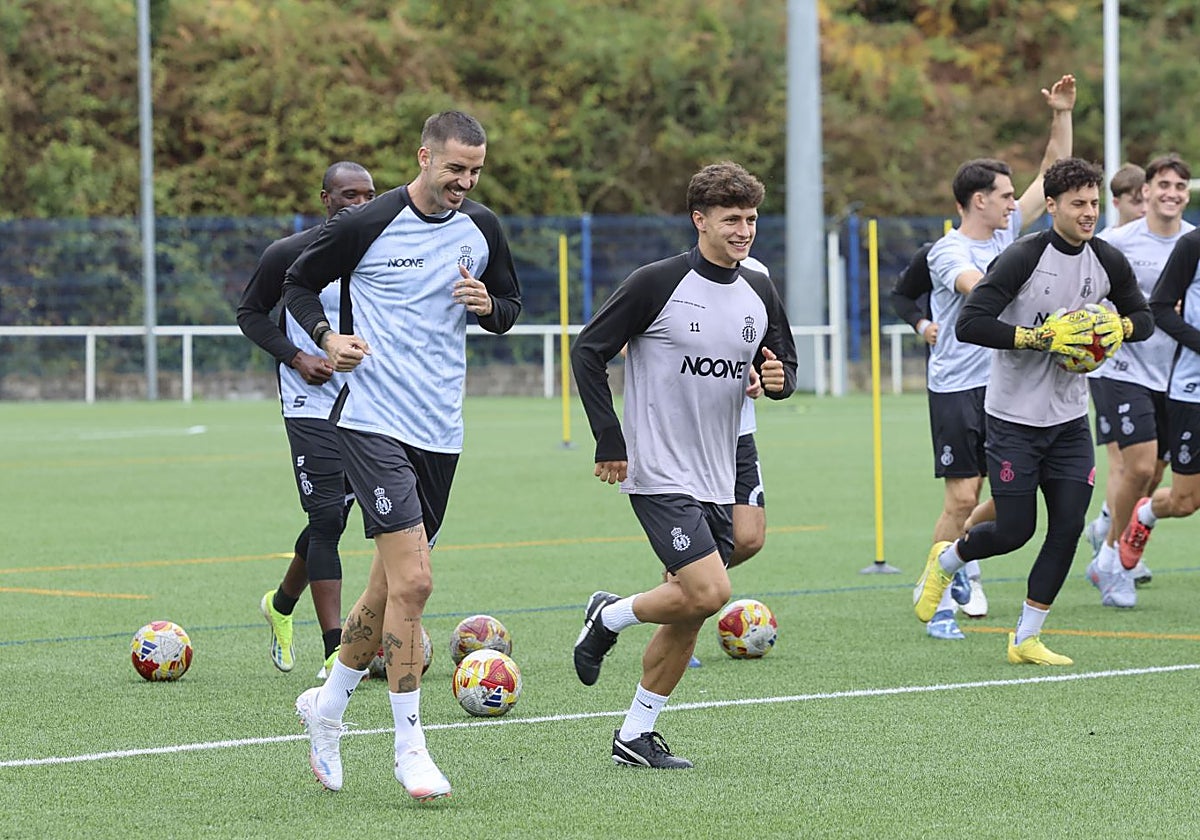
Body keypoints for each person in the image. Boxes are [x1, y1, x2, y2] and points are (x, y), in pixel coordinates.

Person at [282, 111, 522, 798]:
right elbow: (295, 284)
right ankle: (409, 747)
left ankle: (327, 708)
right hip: (371, 420)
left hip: (440, 430)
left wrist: (488, 306)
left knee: (388, 588)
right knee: (416, 583)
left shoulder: (483, 228)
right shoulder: (366, 223)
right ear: (424, 157)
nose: (465, 182)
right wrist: (327, 337)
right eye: (455, 169)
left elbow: (510, 308)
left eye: (475, 171)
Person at [570, 161, 796, 768]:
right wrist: (609, 438)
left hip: (719, 471)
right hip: (658, 468)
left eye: (751, 220)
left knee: (692, 607)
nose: (743, 231)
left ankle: (635, 734)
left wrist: (777, 379)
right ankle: (610, 618)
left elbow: (783, 365)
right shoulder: (656, 282)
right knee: (709, 590)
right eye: (731, 220)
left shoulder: (759, 289)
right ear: (700, 220)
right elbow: (588, 351)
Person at [914, 157, 1152, 666]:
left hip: (1068, 420)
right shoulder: (1022, 257)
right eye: (1077, 204)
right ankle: (948, 560)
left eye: (1094, 203)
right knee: (1014, 530)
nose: (1089, 213)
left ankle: (1026, 637)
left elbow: (1144, 316)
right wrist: (1038, 337)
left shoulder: (1107, 260)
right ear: (1051, 206)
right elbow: (971, 323)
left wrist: (1118, 329)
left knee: (1067, 526)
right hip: (1012, 419)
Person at [915, 73, 1077, 640]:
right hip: (958, 386)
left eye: (1014, 196)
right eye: (1006, 196)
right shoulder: (948, 250)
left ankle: (959, 557)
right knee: (963, 494)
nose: (1015, 202)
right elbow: (977, 289)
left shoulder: (1009, 238)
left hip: (1009, 388)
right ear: (979, 200)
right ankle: (937, 595)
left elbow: (1052, 172)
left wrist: (1061, 114)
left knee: (1008, 499)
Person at [236, 161, 375, 676]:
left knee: (333, 517)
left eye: (369, 195)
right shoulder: (288, 253)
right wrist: (297, 358)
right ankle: (336, 650)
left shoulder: (385, 251)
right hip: (309, 401)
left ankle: (280, 605)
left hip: (370, 403)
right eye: (348, 195)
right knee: (327, 520)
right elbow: (250, 314)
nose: (359, 204)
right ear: (325, 199)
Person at [1083, 156, 1193, 607]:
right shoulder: (1118, 241)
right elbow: (1085, 287)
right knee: (1140, 466)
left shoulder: (1192, 241)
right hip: (1122, 368)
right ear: (1146, 191)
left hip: (1176, 376)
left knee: (1155, 475)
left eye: (1180, 186)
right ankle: (1113, 562)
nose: (1171, 193)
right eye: (1163, 184)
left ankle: (1109, 528)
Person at [1113, 198, 1200, 574]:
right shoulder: (1192, 244)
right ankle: (1146, 513)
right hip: (1191, 391)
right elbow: (1160, 308)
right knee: (1184, 502)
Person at [1082, 163, 1148, 561]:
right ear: (1117, 201)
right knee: (1123, 462)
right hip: (1111, 369)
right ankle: (1114, 545)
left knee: (1147, 467)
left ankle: (1107, 525)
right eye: (1135, 200)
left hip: (1154, 370)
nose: (1143, 208)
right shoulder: (1104, 246)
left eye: (1146, 199)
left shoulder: (1163, 242)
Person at [1107, 163, 1148, 229]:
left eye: (1148, 201)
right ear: (1116, 203)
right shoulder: (1105, 236)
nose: (1145, 209)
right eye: (1136, 202)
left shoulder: (1161, 234)